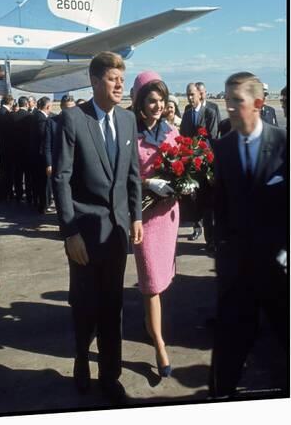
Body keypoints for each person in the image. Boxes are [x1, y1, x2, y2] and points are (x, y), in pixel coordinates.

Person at [53, 51, 143, 404]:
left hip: (118, 232)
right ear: (94, 81)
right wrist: (69, 232)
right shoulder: (73, 120)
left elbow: (133, 174)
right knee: (84, 305)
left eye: (122, 77)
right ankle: (81, 361)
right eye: (112, 78)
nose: (120, 83)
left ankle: (110, 375)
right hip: (85, 235)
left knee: (113, 306)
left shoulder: (127, 120)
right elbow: (61, 178)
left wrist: (135, 215)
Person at [209, 72, 288, 398]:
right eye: (226, 100)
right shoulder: (222, 148)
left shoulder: (285, 144)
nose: (228, 107)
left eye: (236, 101)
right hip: (236, 267)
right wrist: (222, 250)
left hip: (277, 269)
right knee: (229, 343)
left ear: (258, 103)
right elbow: (219, 204)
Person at [132, 72, 179, 378]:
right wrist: (148, 182)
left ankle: (152, 326)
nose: (158, 106)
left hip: (169, 215)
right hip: (145, 217)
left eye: (161, 100)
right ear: (139, 103)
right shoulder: (129, 134)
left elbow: (185, 165)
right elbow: (123, 174)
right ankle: (159, 344)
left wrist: (184, 183)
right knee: (150, 282)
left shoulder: (172, 132)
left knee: (161, 279)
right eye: (151, 100)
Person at [180, 83, 218, 243]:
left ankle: (210, 239)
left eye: (192, 94)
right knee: (194, 200)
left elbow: (213, 137)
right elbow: (183, 136)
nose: (190, 98)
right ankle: (197, 227)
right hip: (191, 164)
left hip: (205, 163)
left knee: (208, 202)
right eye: (187, 95)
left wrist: (199, 154)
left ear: (199, 94)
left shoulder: (209, 112)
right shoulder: (187, 114)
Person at [45, 95, 75, 179]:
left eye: (72, 108)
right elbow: (47, 145)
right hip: (58, 164)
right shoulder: (52, 122)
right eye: (67, 108)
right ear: (61, 107)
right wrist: (49, 164)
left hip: (75, 164)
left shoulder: (79, 122)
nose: (70, 111)